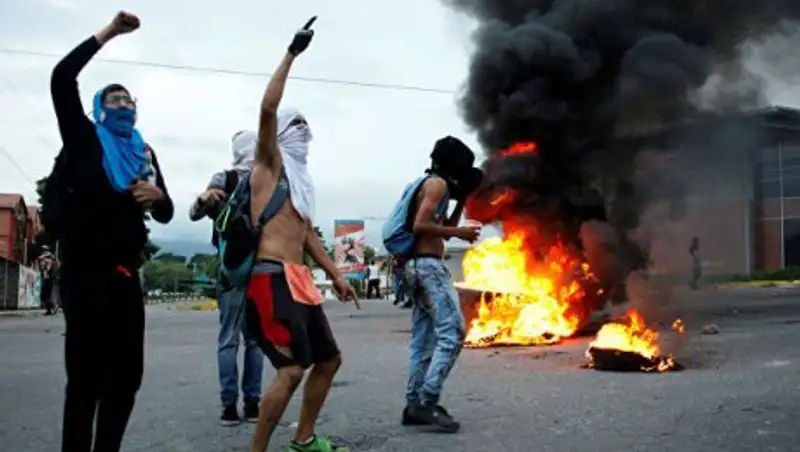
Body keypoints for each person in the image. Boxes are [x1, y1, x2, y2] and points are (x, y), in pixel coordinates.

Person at [50, 11, 174, 452]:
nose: (123, 105)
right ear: (100, 109)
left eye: (128, 100)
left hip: (125, 278)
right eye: (114, 100)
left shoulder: (143, 152)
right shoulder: (84, 140)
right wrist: (109, 33)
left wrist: (158, 196)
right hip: (84, 275)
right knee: (85, 379)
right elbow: (61, 78)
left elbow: (166, 213)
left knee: (126, 378)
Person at [241, 17, 358, 452]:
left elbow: (307, 235)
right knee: (290, 370)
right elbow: (268, 110)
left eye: (307, 126)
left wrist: (337, 275)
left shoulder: (302, 183)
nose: (304, 132)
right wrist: (291, 53)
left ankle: (304, 439)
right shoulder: (268, 167)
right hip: (270, 278)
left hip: (299, 280)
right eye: (298, 126)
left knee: (329, 360)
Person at [395, 136, 482, 433]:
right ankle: (428, 401)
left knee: (423, 340)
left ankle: (413, 405)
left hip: (416, 266)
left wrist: (462, 199)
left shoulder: (432, 185)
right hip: (428, 267)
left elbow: (443, 230)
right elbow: (421, 225)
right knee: (453, 333)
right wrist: (460, 232)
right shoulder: (436, 184)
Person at [190, 131, 264, 426]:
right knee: (255, 341)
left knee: (228, 338)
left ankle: (229, 406)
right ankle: (253, 404)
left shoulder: (225, 178)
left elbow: (195, 213)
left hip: (231, 269)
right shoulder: (268, 180)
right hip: (259, 269)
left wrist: (203, 198)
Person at [39, 246, 57, 315]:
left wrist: (46, 272)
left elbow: (48, 267)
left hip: (48, 278)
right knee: (46, 295)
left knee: (44, 294)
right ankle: (49, 309)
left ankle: (53, 307)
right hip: (48, 278)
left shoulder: (48, 258)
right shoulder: (48, 257)